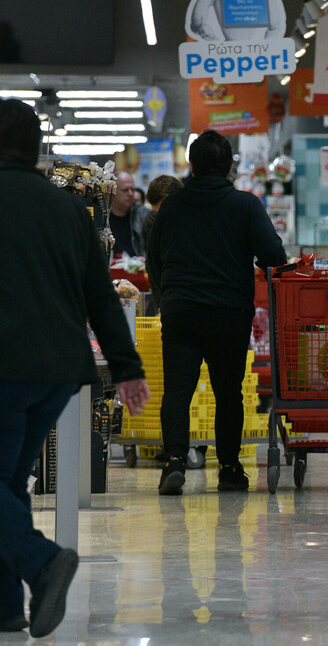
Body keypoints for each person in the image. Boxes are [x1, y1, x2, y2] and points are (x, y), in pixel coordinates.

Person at [0, 98, 150, 637]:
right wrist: (128, 368)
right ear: (38, 148)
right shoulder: (67, 209)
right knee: (10, 483)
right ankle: (7, 610)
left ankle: (43, 563)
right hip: (60, 369)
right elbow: (101, 297)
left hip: (6, 365)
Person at [147, 130, 287, 496]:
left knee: (177, 390)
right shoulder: (245, 205)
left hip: (180, 311)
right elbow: (274, 255)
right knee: (229, 393)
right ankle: (229, 468)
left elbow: (154, 261)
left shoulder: (172, 207)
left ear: (191, 165)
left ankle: (174, 462)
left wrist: (169, 298)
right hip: (229, 311)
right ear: (229, 167)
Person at [109, 170, 151, 258]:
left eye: (132, 189)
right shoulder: (101, 217)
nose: (131, 194)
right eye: (125, 190)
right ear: (112, 191)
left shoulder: (145, 215)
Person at [141, 174, 183, 254]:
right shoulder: (151, 222)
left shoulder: (193, 220)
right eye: (159, 213)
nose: (163, 217)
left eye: (167, 211)